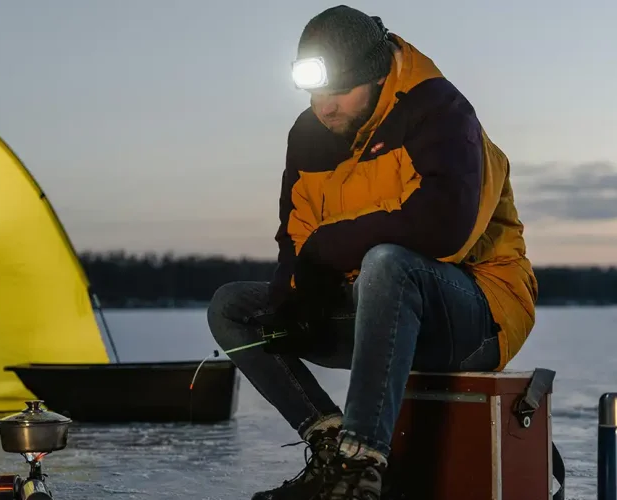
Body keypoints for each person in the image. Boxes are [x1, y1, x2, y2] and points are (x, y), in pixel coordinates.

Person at [207, 5, 538, 499]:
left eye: (339, 90)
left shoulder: (441, 112)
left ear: (377, 76)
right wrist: (294, 300)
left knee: (388, 263)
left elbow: (445, 229)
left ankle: (359, 464)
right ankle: (328, 443)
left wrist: (327, 253)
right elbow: (295, 235)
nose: (326, 106)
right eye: (316, 92)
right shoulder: (309, 135)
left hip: (475, 315)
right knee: (233, 307)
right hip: (375, 310)